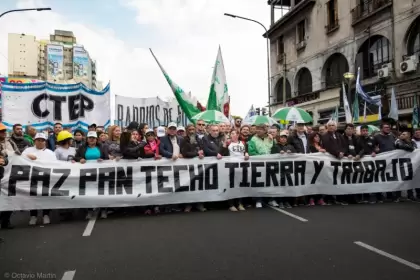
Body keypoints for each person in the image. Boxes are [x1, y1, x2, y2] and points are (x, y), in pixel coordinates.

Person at [22, 132, 57, 225]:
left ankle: (46, 215)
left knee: (46, 196)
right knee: (33, 197)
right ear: (34, 141)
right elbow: (19, 158)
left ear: (45, 142)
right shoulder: (28, 150)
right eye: (38, 140)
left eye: (42, 141)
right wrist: (27, 156)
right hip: (32, 177)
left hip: (46, 177)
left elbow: (55, 165)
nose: (40, 142)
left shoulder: (50, 153)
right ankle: (33, 215)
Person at [75, 131, 109, 219]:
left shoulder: (102, 147)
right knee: (88, 191)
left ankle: (103, 210)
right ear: (87, 139)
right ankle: (89, 211)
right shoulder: (82, 147)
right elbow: (76, 157)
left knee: (101, 191)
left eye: (93, 138)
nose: (91, 140)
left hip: (100, 173)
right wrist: (80, 159)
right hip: (87, 173)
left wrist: (102, 159)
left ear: (96, 139)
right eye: (90, 138)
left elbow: (107, 158)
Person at [247, 124, 276, 208]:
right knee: (258, 182)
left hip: (270, 163)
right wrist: (261, 157)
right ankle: (258, 200)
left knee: (270, 182)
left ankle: (271, 199)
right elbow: (251, 151)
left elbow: (274, 149)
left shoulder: (270, 138)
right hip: (258, 163)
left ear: (265, 130)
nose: (258, 131)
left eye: (260, 129)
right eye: (257, 129)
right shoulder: (253, 139)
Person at [180, 124, 206, 212]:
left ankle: (199, 204)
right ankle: (188, 204)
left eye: (193, 129)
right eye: (190, 129)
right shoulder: (184, 140)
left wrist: (202, 154)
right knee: (189, 186)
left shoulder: (199, 139)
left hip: (198, 166)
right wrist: (196, 154)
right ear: (187, 131)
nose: (191, 131)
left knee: (199, 185)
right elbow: (185, 153)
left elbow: (203, 150)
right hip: (188, 167)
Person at [321, 120, 348, 205]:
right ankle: (329, 198)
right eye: (330, 125)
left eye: (333, 125)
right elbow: (328, 146)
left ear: (336, 127)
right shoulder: (325, 136)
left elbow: (345, 145)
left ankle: (340, 198)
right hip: (330, 160)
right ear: (327, 127)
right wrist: (337, 153)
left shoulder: (339, 135)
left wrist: (343, 152)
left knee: (339, 179)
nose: (331, 127)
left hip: (340, 160)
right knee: (330, 178)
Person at [373, 123, 399, 202]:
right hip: (381, 162)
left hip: (391, 162)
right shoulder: (376, 137)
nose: (388, 128)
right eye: (386, 127)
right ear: (381, 129)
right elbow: (372, 147)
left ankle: (390, 195)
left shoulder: (392, 136)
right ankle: (379, 196)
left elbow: (397, 145)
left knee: (390, 178)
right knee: (380, 178)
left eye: (389, 127)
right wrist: (375, 151)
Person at [287, 122, 310, 206]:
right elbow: (289, 146)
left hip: (306, 161)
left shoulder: (307, 136)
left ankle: (303, 198)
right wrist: (292, 151)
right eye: (299, 125)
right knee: (296, 179)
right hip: (296, 161)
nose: (300, 127)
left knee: (304, 179)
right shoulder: (291, 137)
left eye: (302, 125)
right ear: (295, 127)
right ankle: (295, 199)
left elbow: (308, 147)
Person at [226, 130, 248, 211]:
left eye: (236, 133)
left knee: (240, 185)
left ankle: (239, 203)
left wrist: (246, 153)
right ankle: (231, 204)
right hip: (231, 166)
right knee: (231, 185)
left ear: (238, 135)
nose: (234, 135)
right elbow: (223, 153)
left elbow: (246, 151)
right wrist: (224, 145)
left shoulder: (243, 142)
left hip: (241, 166)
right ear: (230, 135)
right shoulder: (228, 143)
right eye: (232, 133)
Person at [0, 129, 12, 230]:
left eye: (4, 131)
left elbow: (15, 154)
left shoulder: (9, 142)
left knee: (10, 199)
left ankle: (5, 221)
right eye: (1, 131)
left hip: (6, 175)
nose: (4, 133)